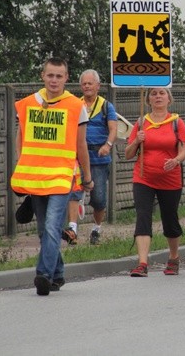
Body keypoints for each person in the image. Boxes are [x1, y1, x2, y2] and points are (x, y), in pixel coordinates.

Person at [11, 58, 93, 295]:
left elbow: (81, 145)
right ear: (42, 76)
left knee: (50, 226)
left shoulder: (76, 106)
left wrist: (87, 178)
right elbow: (20, 138)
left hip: (61, 176)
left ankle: (43, 275)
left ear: (67, 78)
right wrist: (21, 167)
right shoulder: (27, 104)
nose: (54, 80)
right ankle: (57, 274)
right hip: (35, 178)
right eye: (50, 75)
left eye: (59, 76)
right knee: (42, 230)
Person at [124, 88, 185, 277]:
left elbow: (183, 150)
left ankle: (174, 257)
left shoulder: (177, 122)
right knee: (143, 216)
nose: (158, 96)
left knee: (170, 219)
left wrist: (176, 160)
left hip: (170, 179)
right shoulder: (141, 122)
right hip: (143, 177)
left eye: (162, 93)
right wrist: (136, 140)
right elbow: (128, 154)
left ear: (169, 99)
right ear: (148, 100)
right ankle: (142, 263)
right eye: (153, 94)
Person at [74, 69, 118, 245]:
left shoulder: (106, 106)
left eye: (90, 83)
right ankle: (73, 230)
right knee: (73, 195)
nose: (86, 86)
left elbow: (114, 129)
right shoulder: (75, 105)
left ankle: (96, 229)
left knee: (99, 199)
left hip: (99, 159)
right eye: (84, 83)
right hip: (77, 158)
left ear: (98, 86)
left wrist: (107, 145)